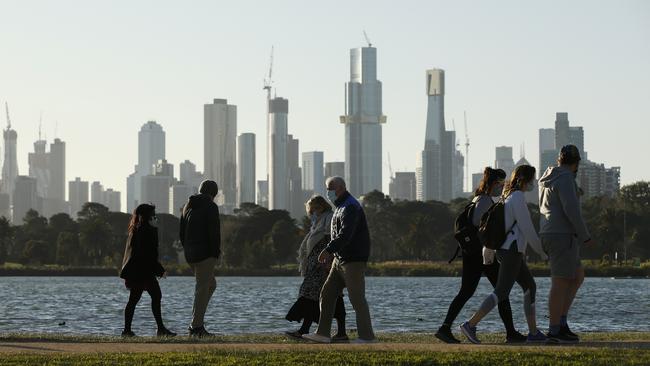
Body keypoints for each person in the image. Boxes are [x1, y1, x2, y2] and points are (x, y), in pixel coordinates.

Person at [435, 168, 527, 344]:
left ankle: (445, 328)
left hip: (474, 254)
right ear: (493, 184)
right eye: (500, 184)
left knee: (472, 292)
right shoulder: (485, 202)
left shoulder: (478, 199)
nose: (502, 188)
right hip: (482, 255)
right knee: (501, 291)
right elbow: (483, 231)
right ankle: (510, 333)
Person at [460, 165, 548, 344]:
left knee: (529, 286)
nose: (533, 183)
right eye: (532, 179)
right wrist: (541, 251)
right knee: (501, 291)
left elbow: (501, 227)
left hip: (508, 251)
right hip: (511, 252)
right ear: (524, 179)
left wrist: (490, 251)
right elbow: (527, 228)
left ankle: (533, 332)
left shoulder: (506, 196)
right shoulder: (517, 197)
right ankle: (470, 324)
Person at [303, 177, 376, 344]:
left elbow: (346, 235)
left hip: (353, 260)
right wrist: (333, 256)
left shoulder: (350, 206)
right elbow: (337, 235)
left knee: (357, 298)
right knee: (327, 294)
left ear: (341, 188)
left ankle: (367, 337)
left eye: (331, 188)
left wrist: (328, 250)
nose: (328, 192)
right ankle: (322, 333)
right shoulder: (340, 207)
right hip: (340, 259)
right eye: (327, 188)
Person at [539, 145, 593, 343]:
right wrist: (585, 235)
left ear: (559, 160)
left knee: (577, 276)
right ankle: (554, 330)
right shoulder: (566, 178)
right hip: (562, 235)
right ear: (576, 163)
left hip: (550, 231)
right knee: (560, 282)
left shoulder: (549, 176)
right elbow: (571, 209)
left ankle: (561, 322)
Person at [285, 196, 348, 341]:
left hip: (324, 265)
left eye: (317, 208)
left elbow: (331, 239)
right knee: (326, 297)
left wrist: (328, 261)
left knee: (316, 295)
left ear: (323, 206)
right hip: (315, 266)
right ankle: (338, 332)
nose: (314, 212)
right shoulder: (316, 222)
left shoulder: (329, 218)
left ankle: (306, 330)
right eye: (312, 209)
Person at [119, 204, 176, 337]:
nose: (155, 217)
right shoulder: (148, 231)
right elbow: (149, 254)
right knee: (155, 296)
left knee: (134, 300)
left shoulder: (134, 230)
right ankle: (160, 329)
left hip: (136, 271)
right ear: (148, 216)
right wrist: (160, 270)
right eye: (153, 215)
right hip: (144, 271)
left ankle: (127, 330)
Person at [180, 180, 221, 337]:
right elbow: (214, 232)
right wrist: (216, 253)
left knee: (209, 285)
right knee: (202, 288)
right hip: (205, 254)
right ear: (214, 193)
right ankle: (196, 327)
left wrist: (188, 250)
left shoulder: (187, 206)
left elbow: (182, 233)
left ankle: (195, 322)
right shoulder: (211, 207)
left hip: (190, 254)